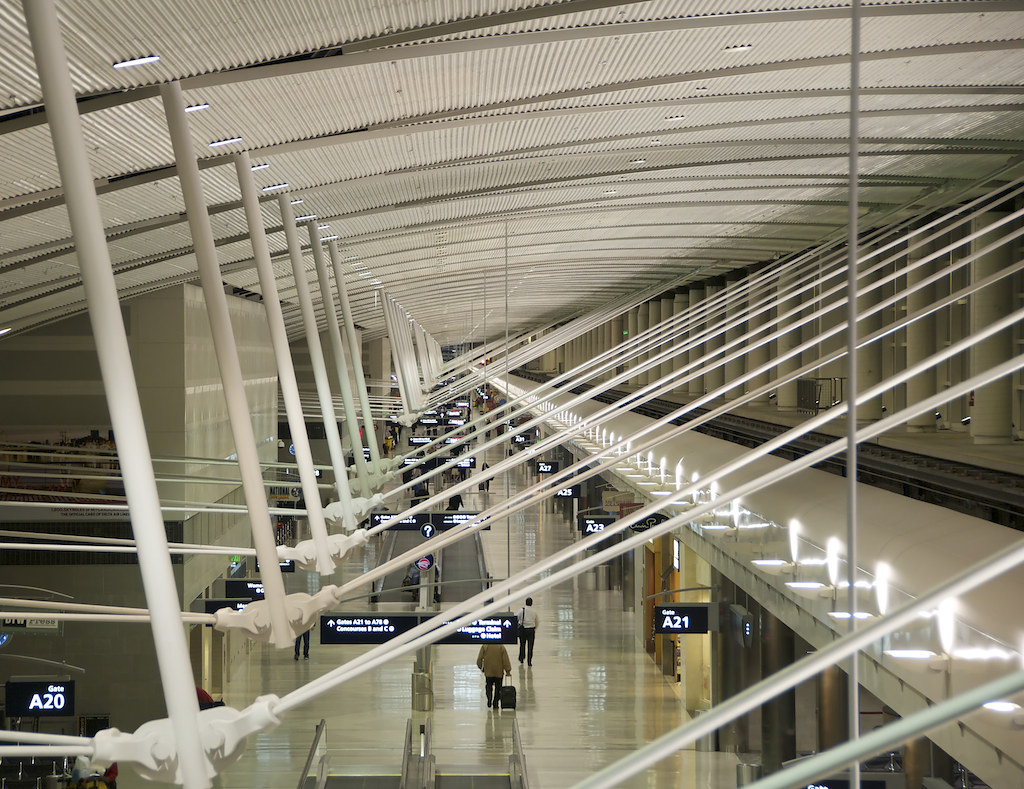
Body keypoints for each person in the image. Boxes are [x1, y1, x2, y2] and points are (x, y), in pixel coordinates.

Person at [476, 642, 511, 709]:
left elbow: (479, 659)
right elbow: (505, 659)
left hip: (489, 671)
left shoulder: (485, 646)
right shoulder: (501, 646)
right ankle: (495, 703)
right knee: (498, 688)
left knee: (489, 686)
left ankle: (489, 698)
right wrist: (508, 670)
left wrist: (481, 667)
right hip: (499, 671)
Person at [518, 597, 538, 666]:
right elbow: (537, 621)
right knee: (530, 646)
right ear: (531, 603)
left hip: (523, 630)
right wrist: (534, 628)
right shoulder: (534, 612)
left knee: (522, 645)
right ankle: (529, 661)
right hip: (531, 630)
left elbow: (518, 619)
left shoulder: (521, 610)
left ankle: (522, 658)